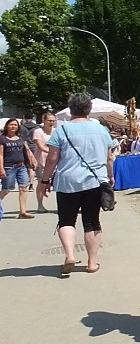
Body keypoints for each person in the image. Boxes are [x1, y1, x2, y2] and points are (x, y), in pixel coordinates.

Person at [40, 93, 118, 275]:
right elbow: (109, 158)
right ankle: (92, 263)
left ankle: (69, 255)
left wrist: (44, 181)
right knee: (92, 222)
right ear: (89, 109)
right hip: (94, 181)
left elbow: (51, 159)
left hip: (67, 182)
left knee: (66, 220)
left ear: (71, 110)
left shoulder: (61, 130)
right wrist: (110, 176)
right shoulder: (101, 130)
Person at [1, 118, 36, 218]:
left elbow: (27, 150)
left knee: (24, 188)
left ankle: (23, 212)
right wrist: (1, 168)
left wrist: (32, 159)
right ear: (7, 126)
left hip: (21, 166)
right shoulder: (2, 139)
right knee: (6, 189)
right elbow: (1, 155)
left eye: (15, 125)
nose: (13, 126)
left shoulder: (20, 138)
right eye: (11, 124)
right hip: (8, 166)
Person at [32, 111, 56, 213]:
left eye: (53, 121)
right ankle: (40, 205)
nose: (51, 123)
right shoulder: (38, 132)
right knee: (41, 182)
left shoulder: (56, 131)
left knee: (57, 183)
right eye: (49, 121)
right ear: (44, 120)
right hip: (42, 162)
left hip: (55, 162)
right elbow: (41, 146)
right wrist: (54, 152)